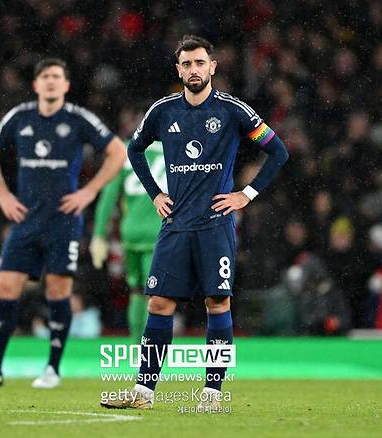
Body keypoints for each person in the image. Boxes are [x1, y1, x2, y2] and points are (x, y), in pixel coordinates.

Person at [101, 35, 288, 411]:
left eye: (200, 62)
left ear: (212, 67)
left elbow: (278, 151)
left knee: (217, 303)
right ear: (178, 70)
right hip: (175, 224)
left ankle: (212, 394)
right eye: (186, 64)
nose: (194, 70)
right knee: (158, 304)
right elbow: (133, 150)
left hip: (215, 225)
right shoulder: (163, 111)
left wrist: (245, 195)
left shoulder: (234, 111)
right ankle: (143, 392)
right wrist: (155, 194)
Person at [0, 58, 126, 388]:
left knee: (58, 290)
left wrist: (89, 191)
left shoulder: (77, 119)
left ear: (66, 85)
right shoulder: (21, 116)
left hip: (63, 221)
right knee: (4, 287)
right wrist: (3, 194)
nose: (50, 81)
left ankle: (52, 369)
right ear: (35, 85)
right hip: (26, 220)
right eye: (45, 76)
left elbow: (117, 151)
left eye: (57, 76)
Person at [90, 140, 166, 346]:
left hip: (131, 231)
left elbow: (109, 196)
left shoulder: (125, 150)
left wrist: (99, 234)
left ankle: (136, 346)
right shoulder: (174, 146)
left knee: (137, 290)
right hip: (160, 231)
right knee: (157, 294)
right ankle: (152, 349)